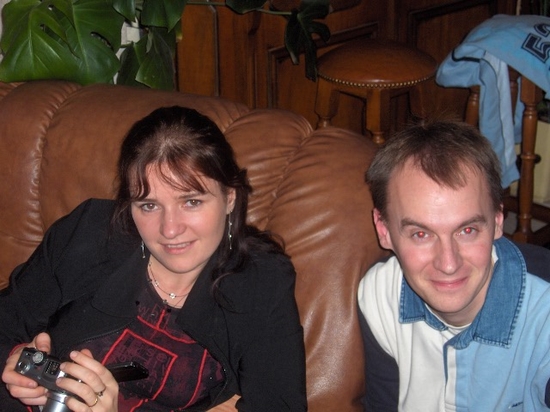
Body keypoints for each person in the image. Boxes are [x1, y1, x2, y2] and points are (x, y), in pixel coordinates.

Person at [0, 106, 307, 411]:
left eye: (191, 201)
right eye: (148, 205)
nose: (169, 229)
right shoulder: (89, 232)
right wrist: (14, 358)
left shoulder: (261, 282)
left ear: (230, 198)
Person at [357, 120, 550, 411]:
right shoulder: (379, 296)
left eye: (467, 230)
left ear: (498, 220)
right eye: (421, 234)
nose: (448, 264)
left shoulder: (544, 313)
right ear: (383, 230)